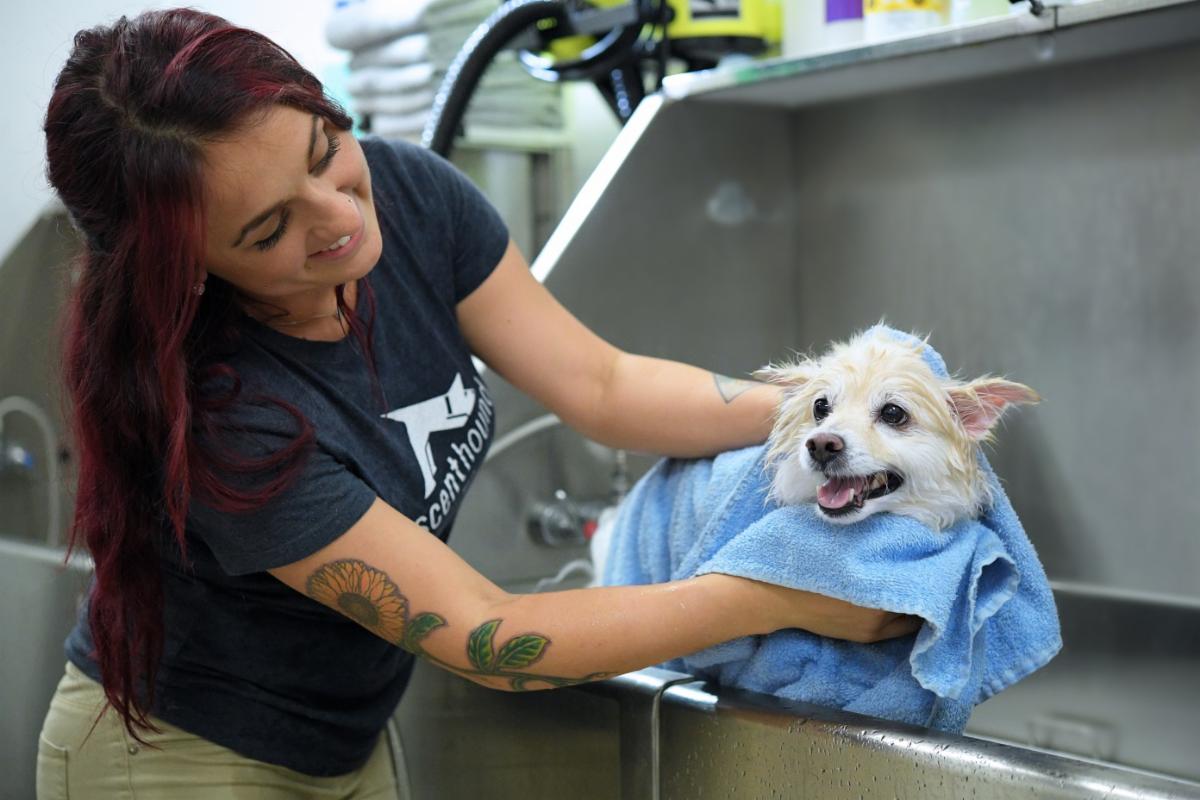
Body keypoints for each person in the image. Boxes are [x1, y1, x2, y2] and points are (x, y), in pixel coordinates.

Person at [36, 8, 917, 799]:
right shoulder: (226, 408)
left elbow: (603, 385)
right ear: (188, 270)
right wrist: (780, 596)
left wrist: (825, 409)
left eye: (324, 151)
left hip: (345, 741)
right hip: (178, 761)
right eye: (269, 229)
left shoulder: (411, 197)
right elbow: (490, 636)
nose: (337, 216)